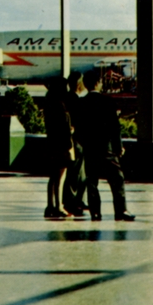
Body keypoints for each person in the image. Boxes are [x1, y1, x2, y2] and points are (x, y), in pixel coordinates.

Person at [78, 70, 135, 222]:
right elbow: (114, 127)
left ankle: (95, 212)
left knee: (92, 182)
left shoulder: (82, 103)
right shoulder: (108, 102)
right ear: (98, 83)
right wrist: (118, 146)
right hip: (106, 148)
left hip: (90, 149)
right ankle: (121, 210)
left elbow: (79, 128)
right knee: (117, 179)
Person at [43, 77, 74, 219]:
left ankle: (50, 205)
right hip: (62, 145)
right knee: (61, 177)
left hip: (51, 143)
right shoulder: (61, 106)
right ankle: (59, 206)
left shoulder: (49, 104)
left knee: (53, 177)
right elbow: (66, 130)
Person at [63, 71, 88, 215]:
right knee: (76, 173)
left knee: (78, 172)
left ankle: (76, 199)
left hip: (75, 141)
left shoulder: (67, 98)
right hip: (77, 141)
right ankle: (74, 201)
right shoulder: (75, 100)